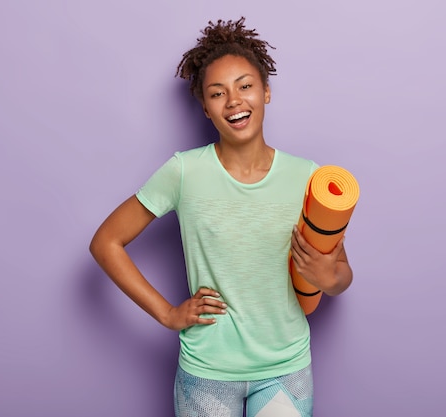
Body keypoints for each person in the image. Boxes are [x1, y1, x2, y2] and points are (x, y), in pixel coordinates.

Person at [89, 17, 353, 417]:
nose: (234, 101)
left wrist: (328, 276)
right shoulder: (184, 171)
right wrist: (167, 313)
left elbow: (341, 276)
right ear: (206, 109)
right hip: (207, 371)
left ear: (266, 92)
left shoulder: (309, 177)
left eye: (245, 86)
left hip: (285, 367)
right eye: (217, 93)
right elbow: (106, 242)